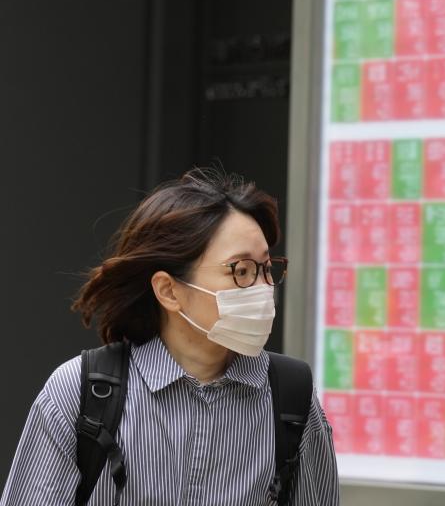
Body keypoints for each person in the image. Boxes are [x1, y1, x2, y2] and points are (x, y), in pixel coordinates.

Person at [0, 167, 339, 505]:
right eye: (241, 271)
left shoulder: (292, 399)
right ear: (169, 291)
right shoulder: (80, 394)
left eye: (266, 269)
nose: (264, 289)